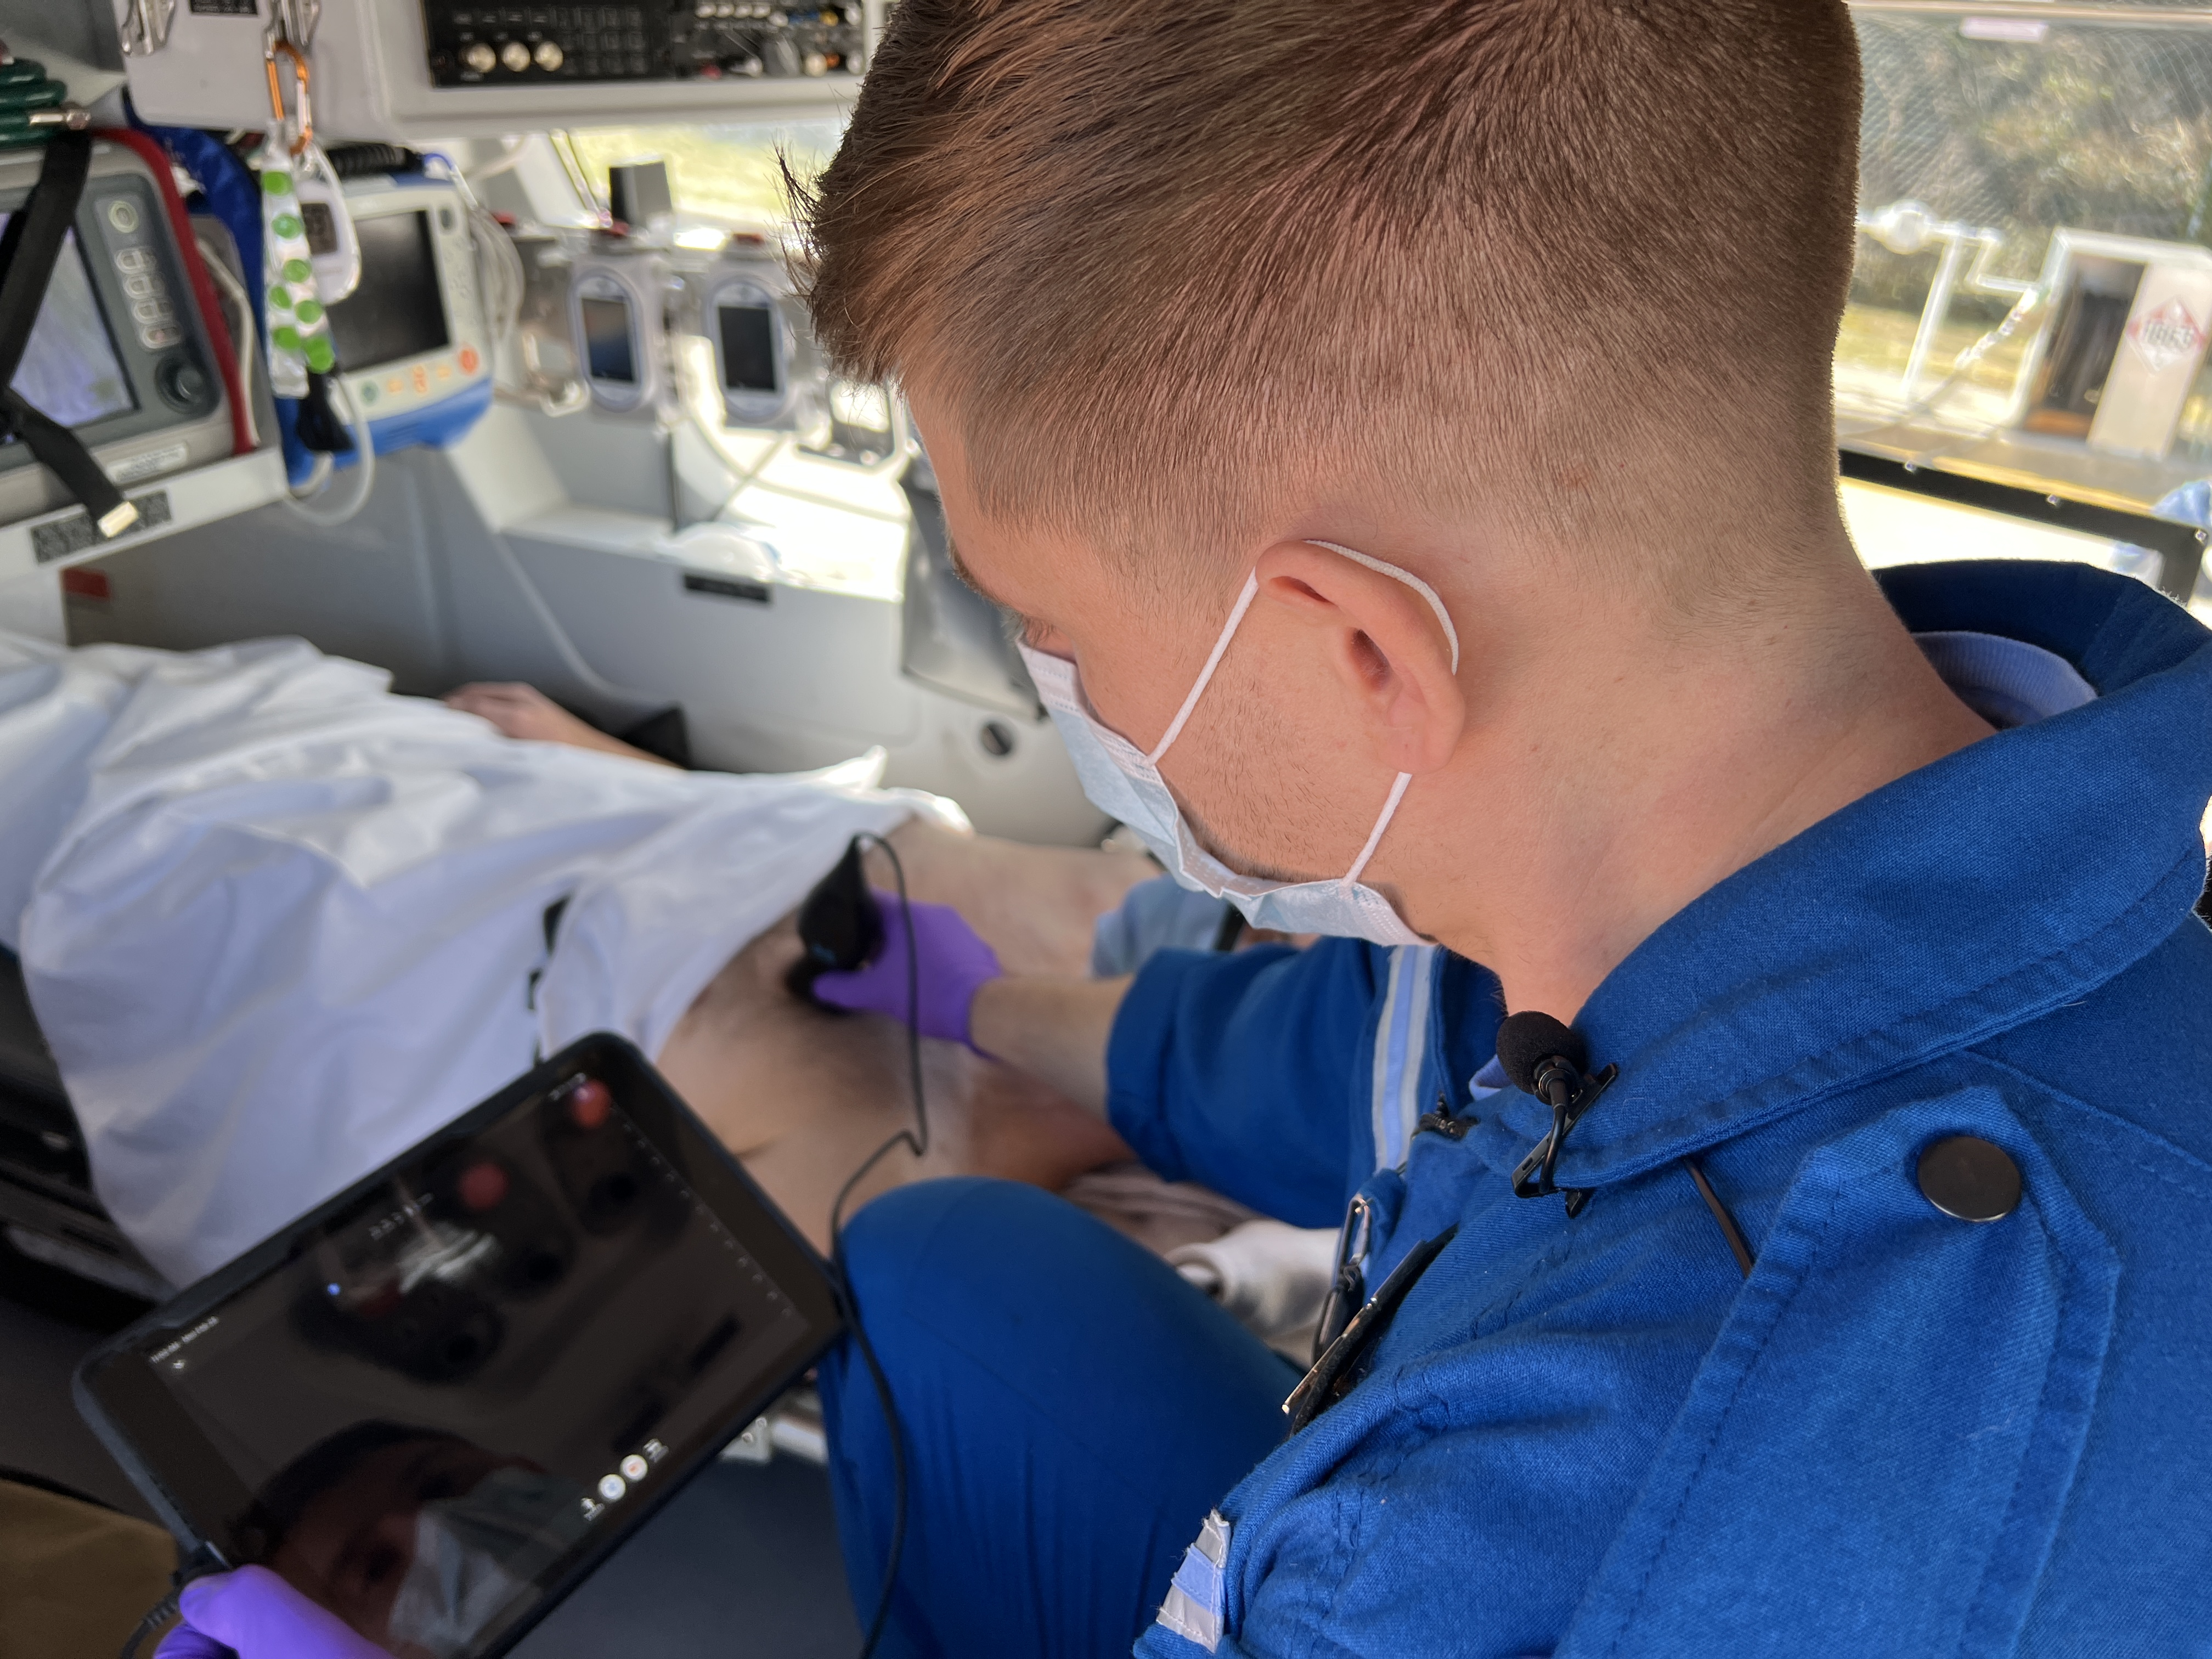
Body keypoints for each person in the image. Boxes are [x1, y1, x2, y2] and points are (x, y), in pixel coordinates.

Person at [784, 0, 2212, 1655]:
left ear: (1362, 656)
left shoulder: (1437, 1566)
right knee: (945, 1269)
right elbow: (1381, 1059)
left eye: (1049, 627)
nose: (1064, 694)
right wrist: (985, 1001)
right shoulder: (1848, 864)